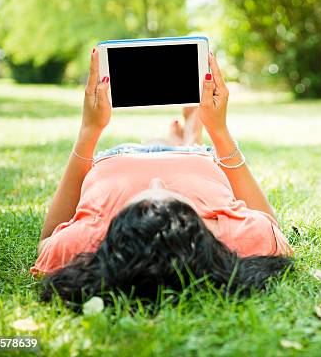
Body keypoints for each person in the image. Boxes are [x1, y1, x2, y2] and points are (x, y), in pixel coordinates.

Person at [34, 48, 293, 306]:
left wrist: (89, 130)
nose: (156, 181)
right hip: (196, 161)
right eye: (178, 202)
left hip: (120, 157)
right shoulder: (231, 237)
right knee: (184, 144)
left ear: (120, 234)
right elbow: (271, 228)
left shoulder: (84, 243)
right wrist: (219, 130)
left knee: (155, 141)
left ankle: (186, 134)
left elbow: (46, 241)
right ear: (196, 231)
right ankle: (192, 135)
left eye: (137, 202)